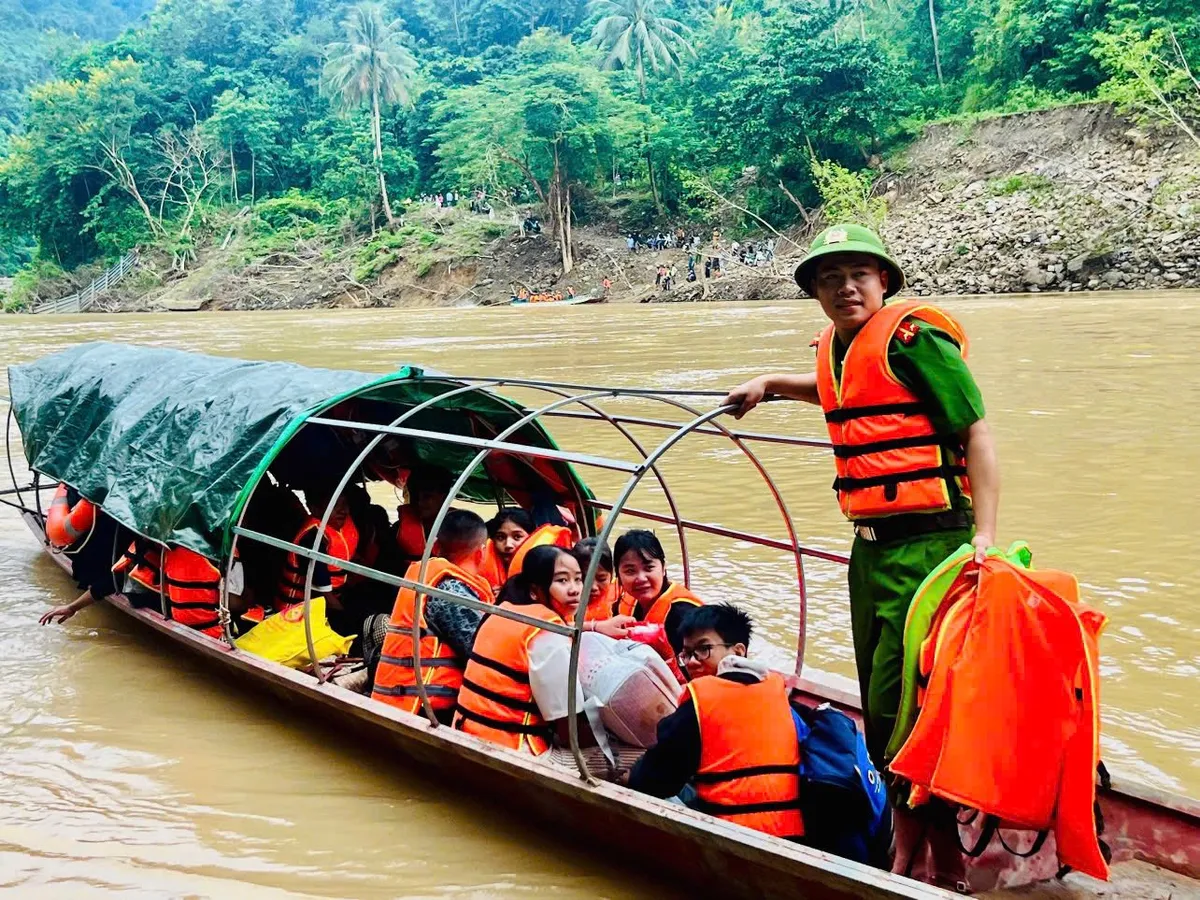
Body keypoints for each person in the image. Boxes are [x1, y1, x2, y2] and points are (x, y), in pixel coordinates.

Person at [723, 223, 1000, 888]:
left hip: (931, 544)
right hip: (869, 552)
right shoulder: (837, 350)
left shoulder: (916, 339)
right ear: (816, 291)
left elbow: (977, 431)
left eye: (859, 274)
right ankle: (916, 845)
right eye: (830, 277)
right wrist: (769, 383)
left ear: (883, 281)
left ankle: (929, 857)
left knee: (905, 703)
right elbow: (842, 393)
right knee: (883, 710)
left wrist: (984, 539)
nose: (845, 287)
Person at [627, 604, 804, 841]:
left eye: (704, 649)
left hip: (734, 836)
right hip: (792, 831)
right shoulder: (774, 687)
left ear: (738, 652)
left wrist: (627, 777)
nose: (691, 662)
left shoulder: (703, 697)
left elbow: (653, 782)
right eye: (687, 653)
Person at [453, 546, 633, 754]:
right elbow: (568, 727)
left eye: (577, 579)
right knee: (625, 758)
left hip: (466, 729)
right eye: (562, 581)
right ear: (535, 590)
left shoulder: (504, 609)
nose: (574, 589)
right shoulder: (547, 631)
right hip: (511, 746)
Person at [371, 510, 494, 722]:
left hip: (402, 698)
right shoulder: (450, 591)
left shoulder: (425, 578)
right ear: (482, 553)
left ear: (435, 546)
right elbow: (480, 656)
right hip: (422, 708)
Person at [614, 530, 703, 682]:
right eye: (630, 571)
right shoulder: (625, 602)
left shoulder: (683, 614)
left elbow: (700, 672)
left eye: (649, 568)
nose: (641, 578)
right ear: (619, 576)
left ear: (663, 568)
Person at [395, 465, 455, 560]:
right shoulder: (397, 529)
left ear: (444, 498)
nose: (419, 501)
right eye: (414, 495)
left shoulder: (460, 530)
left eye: (427, 496)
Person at [482, 507, 535, 592]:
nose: (508, 545)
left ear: (532, 537)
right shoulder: (478, 569)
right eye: (500, 537)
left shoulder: (544, 571)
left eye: (517, 537)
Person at [572, 537, 618, 621]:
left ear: (611, 575)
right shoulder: (565, 607)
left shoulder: (619, 598)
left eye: (602, 579)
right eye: (584, 579)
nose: (593, 587)